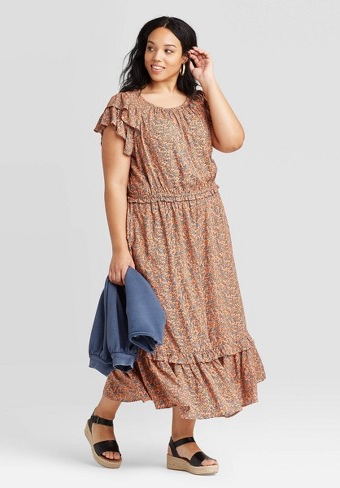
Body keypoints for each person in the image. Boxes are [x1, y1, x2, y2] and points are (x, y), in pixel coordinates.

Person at [85, 15, 266, 475]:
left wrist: (209, 79)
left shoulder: (199, 103)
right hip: (152, 230)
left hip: (206, 229)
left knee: (204, 328)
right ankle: (101, 419)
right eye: (150, 47)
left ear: (186, 56)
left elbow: (233, 141)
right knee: (156, 334)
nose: (156, 57)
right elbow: (114, 184)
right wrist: (120, 248)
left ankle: (181, 440)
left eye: (168, 49)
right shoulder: (125, 106)